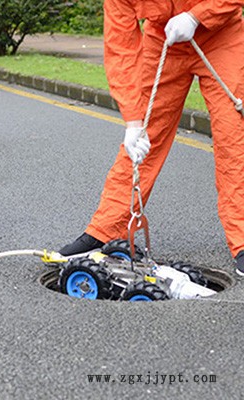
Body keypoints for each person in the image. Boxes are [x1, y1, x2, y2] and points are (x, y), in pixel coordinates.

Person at [59, 0, 244, 276]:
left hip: (222, 37)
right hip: (163, 38)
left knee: (234, 139)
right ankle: (105, 231)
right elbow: (121, 48)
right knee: (143, 141)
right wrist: (133, 123)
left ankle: (242, 240)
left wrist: (196, 17)